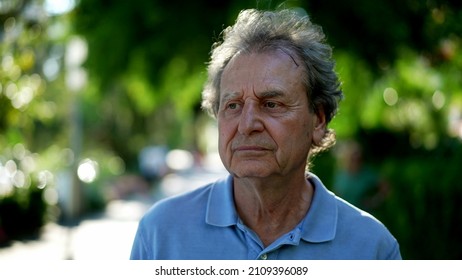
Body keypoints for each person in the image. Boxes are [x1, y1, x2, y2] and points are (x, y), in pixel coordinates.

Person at [130, 8, 401, 260]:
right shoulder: (160, 235)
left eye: (271, 104)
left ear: (318, 121)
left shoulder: (372, 249)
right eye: (233, 106)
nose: (247, 124)